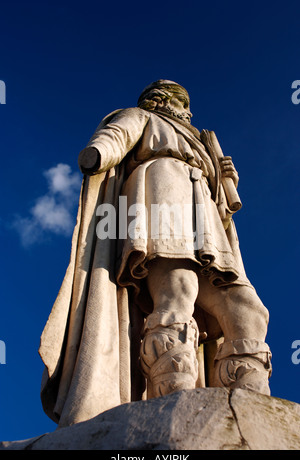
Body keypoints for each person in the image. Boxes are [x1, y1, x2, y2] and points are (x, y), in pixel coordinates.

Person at [39, 80, 271, 427]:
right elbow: (116, 137)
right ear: (159, 100)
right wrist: (98, 152)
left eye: (185, 101)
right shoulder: (142, 117)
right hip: (162, 185)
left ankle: (253, 420)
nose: (183, 107)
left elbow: (226, 208)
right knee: (178, 291)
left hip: (203, 208)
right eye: (177, 99)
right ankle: (172, 410)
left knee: (248, 312)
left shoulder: (204, 142)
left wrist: (222, 184)